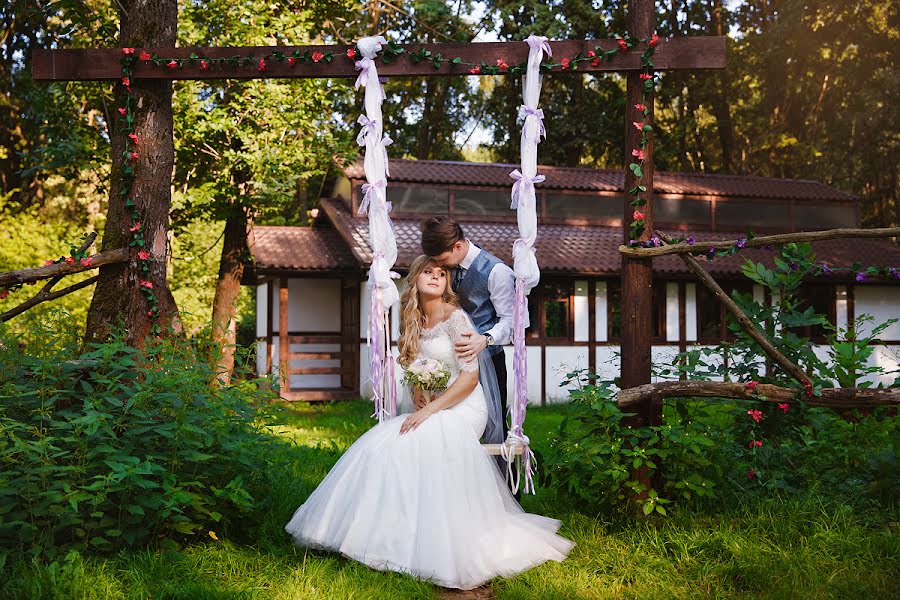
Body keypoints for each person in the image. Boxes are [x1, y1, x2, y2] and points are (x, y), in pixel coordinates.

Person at [284, 256, 573, 591]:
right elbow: (416, 366)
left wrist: (429, 411)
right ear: (415, 278)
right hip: (435, 403)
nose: (436, 276)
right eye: (428, 271)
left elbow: (469, 380)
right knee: (383, 443)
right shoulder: (413, 319)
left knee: (422, 435)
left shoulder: (456, 318)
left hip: (465, 406)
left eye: (442, 273)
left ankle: (431, 537)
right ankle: (383, 534)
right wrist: (417, 391)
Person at [418, 216, 515, 439]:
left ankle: (496, 473)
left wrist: (486, 339)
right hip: (445, 363)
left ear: (458, 246)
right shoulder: (442, 264)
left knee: (493, 426)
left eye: (441, 259)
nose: (438, 266)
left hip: (487, 358)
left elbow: (512, 321)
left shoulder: (496, 271)